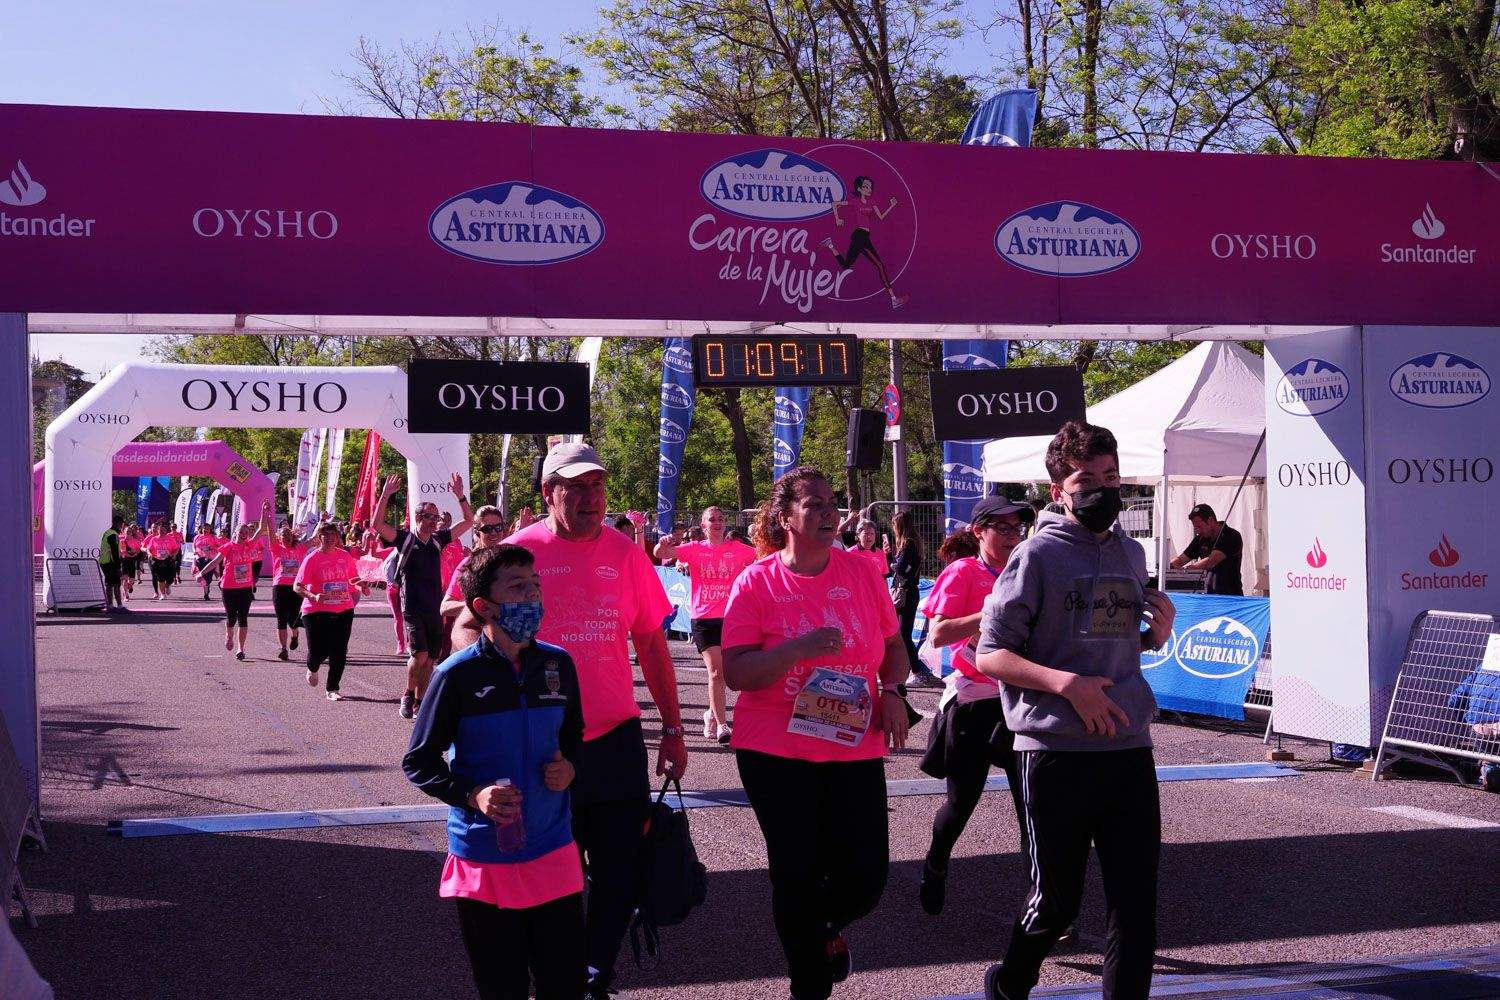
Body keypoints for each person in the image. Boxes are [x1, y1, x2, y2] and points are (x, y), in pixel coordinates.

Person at [459, 442, 686, 999]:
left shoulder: (626, 552)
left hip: (613, 740)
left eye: (597, 486)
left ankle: (592, 975)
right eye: (576, 487)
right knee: (544, 874)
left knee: (620, 873)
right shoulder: (517, 551)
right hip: (540, 745)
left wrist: (675, 729)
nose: (590, 498)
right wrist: (486, 690)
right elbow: (466, 626)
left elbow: (652, 644)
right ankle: (555, 974)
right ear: (547, 493)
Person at [975, 421, 1175, 1000]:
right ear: (1059, 487)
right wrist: (1067, 685)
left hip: (1127, 746)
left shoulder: (1133, 553)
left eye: (1111, 477)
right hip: (1056, 752)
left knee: (1136, 907)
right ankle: (1011, 982)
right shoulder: (1034, 556)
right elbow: (990, 654)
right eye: (1087, 479)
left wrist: (1154, 637)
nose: (1103, 490)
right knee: (1055, 905)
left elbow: (1115, 642)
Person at [722, 467, 911, 1000]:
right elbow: (738, 672)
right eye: (815, 504)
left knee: (866, 879)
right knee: (797, 874)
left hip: (853, 746)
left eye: (833, 503)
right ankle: (808, 985)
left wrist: (892, 692)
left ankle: (822, 929)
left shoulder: (861, 571)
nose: (830, 512)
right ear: (785, 519)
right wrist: (795, 651)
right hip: (776, 750)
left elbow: (894, 649)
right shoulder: (757, 581)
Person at [404, 544, 586, 1000]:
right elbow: (419, 762)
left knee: (562, 985)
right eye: (518, 587)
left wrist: (570, 767)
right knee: (501, 987)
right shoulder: (456, 675)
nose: (532, 597)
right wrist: (473, 795)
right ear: (483, 606)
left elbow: (575, 735)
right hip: (486, 856)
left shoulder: (558, 665)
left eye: (535, 585)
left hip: (554, 849)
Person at [916, 497, 1036, 916]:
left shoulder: (1027, 572)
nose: (1010, 535)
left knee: (1033, 807)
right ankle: (935, 864)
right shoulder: (963, 572)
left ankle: (1044, 903)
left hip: (1021, 701)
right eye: (1000, 527)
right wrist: (985, 615)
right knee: (961, 804)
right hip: (975, 704)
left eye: (1016, 528)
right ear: (978, 531)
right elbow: (938, 634)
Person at [372, 472, 474, 720]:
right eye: (431, 517)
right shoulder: (405, 539)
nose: (436, 521)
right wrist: (385, 495)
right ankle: (408, 694)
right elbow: (377, 525)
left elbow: (469, 521)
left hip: (434, 607)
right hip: (413, 607)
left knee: (431, 659)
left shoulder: (439, 539)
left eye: (437, 517)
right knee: (419, 656)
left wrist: (460, 496)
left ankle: (420, 702)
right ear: (419, 517)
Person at [655, 506, 757, 743]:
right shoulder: (694, 549)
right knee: (715, 672)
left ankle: (712, 713)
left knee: (730, 674)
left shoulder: (738, 550)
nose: (718, 522)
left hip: (731, 619)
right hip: (703, 619)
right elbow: (662, 553)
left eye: (721, 519)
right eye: (712, 519)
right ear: (703, 525)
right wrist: (664, 542)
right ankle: (723, 725)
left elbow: (764, 554)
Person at [195, 501, 273, 661]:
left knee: (243, 618)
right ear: (236, 532)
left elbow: (260, 529)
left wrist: (264, 511)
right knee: (231, 618)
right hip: (229, 588)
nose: (245, 534)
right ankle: (229, 636)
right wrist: (201, 573)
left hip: (245, 587)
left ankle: (241, 648)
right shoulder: (228, 547)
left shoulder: (250, 545)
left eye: (246, 532)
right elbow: (215, 561)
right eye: (242, 531)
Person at [294, 521, 363, 700]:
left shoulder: (345, 556)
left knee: (339, 649)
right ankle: (313, 666)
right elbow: (297, 586)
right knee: (317, 650)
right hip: (316, 610)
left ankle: (332, 688)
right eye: (326, 534)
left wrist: (361, 587)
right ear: (319, 537)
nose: (331, 538)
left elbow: (353, 578)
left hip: (343, 608)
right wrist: (313, 596)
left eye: (333, 534)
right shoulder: (312, 558)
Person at [821, 175, 908, 309]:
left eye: (870, 187)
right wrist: (837, 218)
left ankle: (830, 245)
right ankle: (893, 299)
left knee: (846, 265)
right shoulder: (855, 201)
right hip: (860, 236)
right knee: (880, 265)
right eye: (866, 187)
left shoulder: (872, 202)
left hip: (863, 236)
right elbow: (835, 203)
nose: (869, 189)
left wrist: (891, 206)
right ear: (859, 189)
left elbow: (881, 216)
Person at [441, 504, 509, 654]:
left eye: (498, 527)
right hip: (477, 641)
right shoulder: (468, 564)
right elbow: (445, 608)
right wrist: (479, 606)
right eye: (487, 529)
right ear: (477, 532)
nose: (494, 533)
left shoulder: (513, 561)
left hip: (511, 640)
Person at [1169, 503, 1244, 596]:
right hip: (1208, 597)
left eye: (1199, 526)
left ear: (1210, 520)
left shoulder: (1231, 535)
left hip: (1230, 598)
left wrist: (1185, 571)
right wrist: (1174, 564)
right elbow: (1182, 558)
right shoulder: (1201, 538)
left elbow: (1211, 561)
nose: (1197, 531)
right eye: (1195, 527)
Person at [887, 511, 925, 682]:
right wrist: (890, 557)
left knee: (904, 635)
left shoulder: (909, 544)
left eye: (895, 525)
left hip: (907, 593)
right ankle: (901, 669)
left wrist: (894, 563)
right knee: (895, 633)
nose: (893, 529)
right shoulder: (909, 544)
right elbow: (896, 568)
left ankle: (916, 672)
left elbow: (900, 568)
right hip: (904, 591)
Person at [271, 522, 312, 661]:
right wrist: (266, 515)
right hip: (279, 587)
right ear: (279, 537)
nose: (287, 536)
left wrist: (322, 521)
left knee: (293, 619)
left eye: (289, 534)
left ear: (293, 536)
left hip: (296, 587)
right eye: (284, 535)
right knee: (281, 619)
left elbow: (313, 539)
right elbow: (270, 532)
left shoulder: (300, 548)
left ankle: (294, 635)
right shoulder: (276, 548)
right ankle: (283, 649)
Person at [99, 513, 126, 613]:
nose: (122, 526)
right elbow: (114, 552)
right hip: (110, 562)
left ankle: (110, 605)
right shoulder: (113, 535)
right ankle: (119, 606)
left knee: (110, 584)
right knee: (116, 584)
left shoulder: (108, 532)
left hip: (105, 561)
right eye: (121, 524)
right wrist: (118, 567)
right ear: (117, 523)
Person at [143, 522, 175, 600]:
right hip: (157, 560)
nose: (162, 531)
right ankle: (162, 594)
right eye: (160, 530)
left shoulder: (170, 538)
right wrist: (150, 554)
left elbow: (176, 548)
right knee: (160, 578)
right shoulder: (153, 539)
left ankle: (167, 585)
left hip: (168, 559)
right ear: (157, 530)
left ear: (166, 530)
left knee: (171, 578)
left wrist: (173, 554)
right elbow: (149, 549)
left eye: (163, 530)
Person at [193, 524, 224, 601]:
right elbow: (194, 546)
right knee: (202, 575)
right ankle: (206, 590)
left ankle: (206, 592)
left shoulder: (213, 537)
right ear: (202, 529)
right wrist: (195, 552)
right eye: (204, 528)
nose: (206, 530)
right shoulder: (197, 537)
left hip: (210, 559)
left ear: (210, 530)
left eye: (208, 529)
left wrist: (211, 548)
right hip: (199, 558)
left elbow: (219, 547)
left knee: (208, 577)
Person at [119, 525, 144, 602]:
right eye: (127, 532)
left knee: (132, 580)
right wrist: (129, 553)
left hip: (132, 561)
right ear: (124, 532)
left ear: (131, 533)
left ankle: (129, 586)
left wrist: (135, 552)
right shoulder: (121, 541)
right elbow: (121, 551)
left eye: (130, 531)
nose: (128, 533)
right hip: (124, 561)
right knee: (125, 579)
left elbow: (138, 550)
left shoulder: (136, 541)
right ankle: (126, 595)